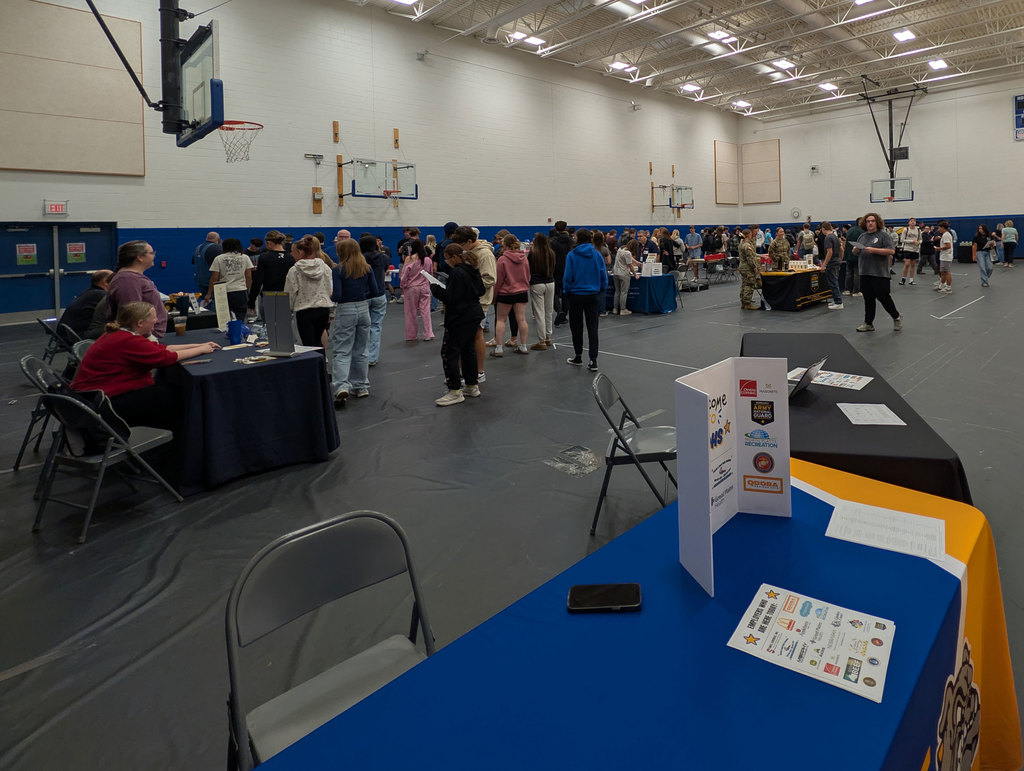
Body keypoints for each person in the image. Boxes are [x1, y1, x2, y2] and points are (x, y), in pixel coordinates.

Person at [72, 301, 220, 430]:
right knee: (180, 400)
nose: (156, 320)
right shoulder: (128, 340)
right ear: (140, 323)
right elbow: (165, 358)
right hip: (106, 401)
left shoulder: (120, 334)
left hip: (95, 395)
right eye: (153, 317)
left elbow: (160, 350)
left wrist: (200, 345)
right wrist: (202, 350)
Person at [431, 244, 485, 406]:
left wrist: (435, 288)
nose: (446, 262)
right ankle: (471, 385)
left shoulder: (457, 273)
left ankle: (454, 390)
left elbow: (450, 297)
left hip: (459, 317)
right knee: (468, 350)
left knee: (450, 352)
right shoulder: (472, 269)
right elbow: (481, 290)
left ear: (454, 257)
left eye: (447, 258)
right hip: (474, 314)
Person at [328, 238, 378, 406]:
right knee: (361, 349)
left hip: (346, 309)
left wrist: (330, 296)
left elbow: (338, 295)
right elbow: (375, 291)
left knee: (342, 350)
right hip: (363, 309)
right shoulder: (367, 268)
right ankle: (361, 385)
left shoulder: (338, 270)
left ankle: (341, 386)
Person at [451, 226, 495, 384]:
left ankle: (479, 371)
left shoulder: (485, 254)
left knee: (477, 335)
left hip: (480, 301)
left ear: (470, 241)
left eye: (462, 245)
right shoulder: (469, 252)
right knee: (464, 338)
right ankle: (464, 371)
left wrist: (467, 286)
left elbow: (490, 279)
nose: (461, 249)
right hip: (467, 300)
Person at [562, 229, 607, 372]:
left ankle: (578, 356)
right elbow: (603, 275)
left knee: (576, 327)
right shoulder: (597, 255)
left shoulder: (572, 255)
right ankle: (593, 360)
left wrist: (566, 291)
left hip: (576, 295)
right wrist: (601, 289)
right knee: (593, 329)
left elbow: (568, 276)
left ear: (576, 238)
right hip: (593, 295)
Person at [107, 241, 167, 338]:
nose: (154, 256)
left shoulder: (132, 278)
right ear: (140, 257)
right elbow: (132, 316)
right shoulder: (127, 280)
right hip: (142, 339)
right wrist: (148, 337)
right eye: (151, 253)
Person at [852, 212, 901, 331]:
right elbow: (855, 253)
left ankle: (896, 317)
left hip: (879, 273)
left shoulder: (884, 236)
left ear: (877, 223)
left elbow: (891, 251)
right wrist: (855, 250)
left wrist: (874, 250)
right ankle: (868, 323)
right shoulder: (862, 236)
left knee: (883, 297)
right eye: (868, 221)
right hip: (865, 272)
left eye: (872, 221)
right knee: (868, 299)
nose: (870, 223)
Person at [284, 234, 334, 349]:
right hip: (323, 309)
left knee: (308, 344)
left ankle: (313, 366)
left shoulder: (294, 270)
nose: (291, 254)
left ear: (300, 252)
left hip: (305, 311)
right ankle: (321, 366)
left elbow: (290, 293)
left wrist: (288, 309)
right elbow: (330, 289)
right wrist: (332, 310)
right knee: (319, 342)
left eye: (293, 251)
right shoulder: (325, 267)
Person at [491, 234, 531, 358]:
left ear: (505, 245)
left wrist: (494, 296)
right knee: (522, 319)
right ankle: (523, 346)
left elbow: (499, 280)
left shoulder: (502, 260)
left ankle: (498, 348)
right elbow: (527, 275)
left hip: (506, 293)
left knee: (501, 320)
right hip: (521, 292)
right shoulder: (524, 258)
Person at [360, 234, 391, 366]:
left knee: (362, 327)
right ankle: (372, 357)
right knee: (376, 326)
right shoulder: (384, 257)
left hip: (364, 295)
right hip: (379, 293)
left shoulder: (360, 259)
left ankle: (362, 355)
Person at [203, 238, 251, 319]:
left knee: (224, 317)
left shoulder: (219, 258)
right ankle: (239, 329)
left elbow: (214, 278)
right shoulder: (245, 257)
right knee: (240, 315)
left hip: (223, 291)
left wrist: (209, 293)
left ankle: (227, 330)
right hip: (240, 290)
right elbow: (248, 276)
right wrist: (247, 290)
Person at [248, 231, 293, 317]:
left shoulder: (264, 257)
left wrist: (251, 301)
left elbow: (258, 280)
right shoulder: (290, 257)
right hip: (286, 295)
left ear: (268, 243)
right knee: (285, 326)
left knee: (269, 326)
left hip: (269, 294)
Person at [59, 270, 113, 338]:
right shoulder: (100, 295)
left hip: (67, 333)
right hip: (77, 335)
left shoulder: (89, 293)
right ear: (105, 281)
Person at [399, 238, 434, 342]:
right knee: (426, 311)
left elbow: (405, 275)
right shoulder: (428, 260)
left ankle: (411, 335)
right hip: (425, 287)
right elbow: (431, 274)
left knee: (411, 312)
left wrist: (403, 285)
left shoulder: (409, 259)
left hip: (411, 288)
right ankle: (428, 334)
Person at [527, 232, 556, 350]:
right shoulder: (551, 253)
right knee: (549, 311)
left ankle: (542, 340)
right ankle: (548, 337)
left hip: (537, 283)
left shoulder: (533, 254)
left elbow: (528, 268)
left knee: (539, 312)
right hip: (550, 282)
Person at [550, 221, 574, 326]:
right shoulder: (571, 241)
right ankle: (564, 315)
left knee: (554, 292)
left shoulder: (552, 242)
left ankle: (559, 310)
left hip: (555, 269)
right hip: (568, 269)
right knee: (566, 293)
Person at [613, 239, 640, 315]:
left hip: (616, 272)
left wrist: (637, 263)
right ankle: (622, 309)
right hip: (624, 274)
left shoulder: (620, 249)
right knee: (623, 292)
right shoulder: (628, 253)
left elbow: (630, 259)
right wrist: (635, 274)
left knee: (617, 292)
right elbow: (630, 265)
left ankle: (615, 308)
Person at [820, 222, 842, 310]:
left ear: (823, 229)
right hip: (836, 261)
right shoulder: (835, 236)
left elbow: (829, 252)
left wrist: (824, 265)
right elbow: (842, 249)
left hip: (831, 262)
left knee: (833, 282)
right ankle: (836, 299)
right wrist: (840, 259)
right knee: (834, 281)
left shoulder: (828, 238)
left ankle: (838, 302)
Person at [192, 231, 222, 296]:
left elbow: (193, 262)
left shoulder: (198, 248)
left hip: (200, 281)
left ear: (206, 238)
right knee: (214, 303)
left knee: (205, 303)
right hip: (212, 283)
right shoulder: (217, 248)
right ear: (218, 239)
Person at [738, 228, 760, 310]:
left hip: (742, 267)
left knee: (744, 284)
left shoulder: (741, 244)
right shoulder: (747, 245)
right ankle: (747, 303)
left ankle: (743, 302)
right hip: (747, 268)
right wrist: (755, 267)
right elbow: (750, 258)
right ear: (748, 235)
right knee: (749, 285)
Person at [843, 217, 864, 296]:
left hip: (848, 255)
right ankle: (856, 291)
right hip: (857, 255)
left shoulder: (850, 230)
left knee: (849, 272)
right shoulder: (862, 232)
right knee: (857, 273)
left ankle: (847, 289)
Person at [899, 218, 921, 285]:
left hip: (915, 249)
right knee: (907, 264)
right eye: (911, 221)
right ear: (908, 223)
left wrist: (918, 242)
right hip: (908, 248)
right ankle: (903, 279)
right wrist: (912, 241)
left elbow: (920, 239)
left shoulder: (918, 230)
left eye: (914, 221)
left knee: (913, 264)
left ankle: (911, 280)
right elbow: (902, 240)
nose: (912, 222)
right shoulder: (906, 230)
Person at [935, 220, 955, 294]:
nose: (938, 229)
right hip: (944, 256)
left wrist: (938, 248)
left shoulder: (946, 235)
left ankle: (948, 287)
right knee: (942, 272)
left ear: (942, 227)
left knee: (947, 272)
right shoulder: (945, 234)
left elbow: (948, 246)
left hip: (946, 256)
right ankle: (942, 285)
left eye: (939, 228)